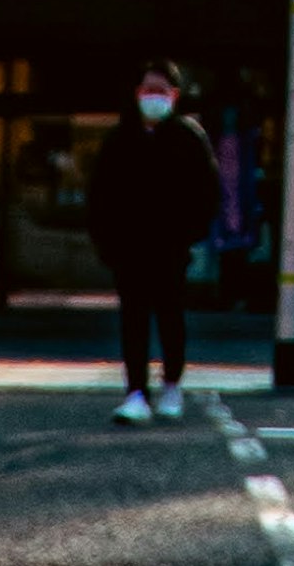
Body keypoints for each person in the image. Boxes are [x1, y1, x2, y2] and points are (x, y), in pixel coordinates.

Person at [82, 64, 222, 425]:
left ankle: (172, 385)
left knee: (170, 316)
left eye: (161, 91)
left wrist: (188, 235)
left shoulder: (189, 137)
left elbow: (208, 192)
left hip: (171, 247)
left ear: (174, 95)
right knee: (134, 320)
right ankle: (136, 393)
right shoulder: (120, 139)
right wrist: (107, 242)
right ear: (136, 93)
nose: (153, 98)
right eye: (148, 90)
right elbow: (100, 195)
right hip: (129, 248)